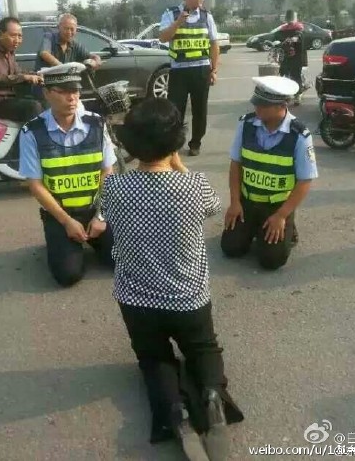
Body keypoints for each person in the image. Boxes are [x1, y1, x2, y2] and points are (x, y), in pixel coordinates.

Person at [99, 98, 243, 461]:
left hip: (137, 300)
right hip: (189, 298)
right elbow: (213, 207)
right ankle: (212, 396)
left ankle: (175, 412)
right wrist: (177, 163)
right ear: (176, 141)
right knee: (203, 348)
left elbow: (107, 218)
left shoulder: (115, 188)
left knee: (154, 358)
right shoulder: (194, 186)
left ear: (131, 144)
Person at [19, 62, 115, 287]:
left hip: (95, 210)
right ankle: (62, 241)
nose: (71, 98)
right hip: (60, 215)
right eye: (63, 92)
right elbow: (35, 185)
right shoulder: (32, 131)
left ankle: (91, 238)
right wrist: (67, 221)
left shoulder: (97, 124)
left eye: (75, 91)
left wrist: (101, 216)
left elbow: (107, 172)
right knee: (68, 275)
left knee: (124, 260)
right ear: (47, 93)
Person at [221, 76, 318, 271]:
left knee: (272, 260)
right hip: (247, 202)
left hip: (277, 206)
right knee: (231, 248)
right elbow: (236, 164)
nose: (257, 108)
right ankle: (255, 228)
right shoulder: (246, 124)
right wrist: (235, 202)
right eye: (256, 103)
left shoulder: (299, 135)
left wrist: (281, 215)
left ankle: (287, 225)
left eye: (263, 105)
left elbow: (305, 180)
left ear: (282, 105)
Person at [159, 0, 219, 156]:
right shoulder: (171, 13)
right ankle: (174, 144)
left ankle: (195, 143)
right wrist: (178, 22)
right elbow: (163, 37)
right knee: (175, 110)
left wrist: (214, 70)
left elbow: (214, 44)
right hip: (179, 71)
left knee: (200, 110)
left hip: (201, 70)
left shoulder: (206, 16)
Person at [0, 17, 43, 122]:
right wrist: (24, 77)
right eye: (13, 35)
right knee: (33, 107)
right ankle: (31, 133)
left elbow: (18, 72)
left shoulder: (9, 51)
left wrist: (37, 74)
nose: (17, 40)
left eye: (20, 36)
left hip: (9, 98)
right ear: (1, 34)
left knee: (45, 100)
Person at [271, 10, 308, 104]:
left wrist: (295, 39)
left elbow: (299, 36)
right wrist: (274, 42)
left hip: (296, 56)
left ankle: (297, 95)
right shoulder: (283, 29)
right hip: (285, 56)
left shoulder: (299, 28)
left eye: (291, 18)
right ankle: (287, 93)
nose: (290, 21)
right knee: (284, 74)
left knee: (296, 75)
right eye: (288, 19)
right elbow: (276, 36)